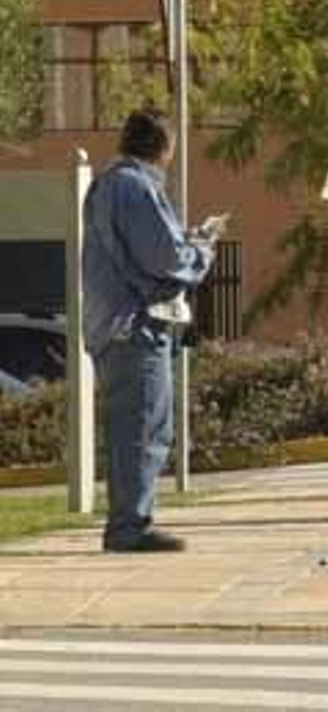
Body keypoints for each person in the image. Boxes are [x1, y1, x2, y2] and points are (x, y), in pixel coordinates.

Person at [83, 108, 217, 553]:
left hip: (117, 325)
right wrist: (200, 250)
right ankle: (129, 527)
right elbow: (164, 257)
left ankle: (128, 522)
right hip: (135, 326)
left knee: (133, 426)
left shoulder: (110, 183)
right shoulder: (135, 187)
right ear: (166, 147)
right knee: (143, 427)